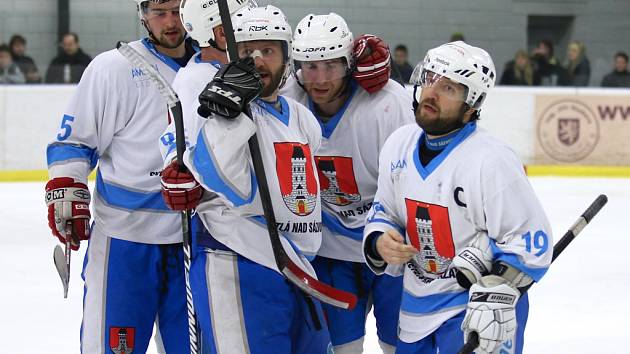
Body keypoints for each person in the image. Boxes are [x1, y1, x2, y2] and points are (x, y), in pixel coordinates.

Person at [362, 41, 553, 354]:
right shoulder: (399, 144)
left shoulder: (490, 160)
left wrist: (498, 285)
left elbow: (531, 241)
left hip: (476, 309)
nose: (432, 93)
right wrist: (380, 239)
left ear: (471, 104)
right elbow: (384, 210)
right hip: (415, 306)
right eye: (430, 79)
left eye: (449, 88)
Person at [161, 5, 331, 353]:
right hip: (239, 261)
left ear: (286, 57)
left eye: (267, 51)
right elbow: (214, 173)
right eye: (246, 51)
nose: (256, 60)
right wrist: (229, 114)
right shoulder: (224, 113)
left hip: (299, 266)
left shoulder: (300, 116)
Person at [44, 0, 196, 352]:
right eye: (160, 12)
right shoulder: (113, 68)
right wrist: (68, 189)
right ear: (142, 14)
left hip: (198, 238)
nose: (170, 22)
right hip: (125, 242)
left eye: (177, 11)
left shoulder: (210, 68)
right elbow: (75, 140)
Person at [280, 12, 414, 354]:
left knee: (398, 345)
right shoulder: (287, 100)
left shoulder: (387, 103)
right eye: (309, 67)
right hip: (330, 250)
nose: (320, 79)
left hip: (391, 245)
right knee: (342, 349)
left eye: (332, 67)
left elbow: (415, 176)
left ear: (350, 63)